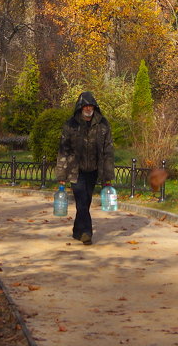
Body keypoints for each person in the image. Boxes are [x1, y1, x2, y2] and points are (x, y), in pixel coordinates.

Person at [56, 91, 114, 245]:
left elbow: (108, 150)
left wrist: (107, 175)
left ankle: (77, 231)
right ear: (80, 107)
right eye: (85, 106)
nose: (88, 108)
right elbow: (63, 150)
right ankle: (87, 233)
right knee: (81, 201)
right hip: (77, 170)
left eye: (91, 106)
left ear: (95, 107)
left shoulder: (103, 124)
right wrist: (62, 176)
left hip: (94, 170)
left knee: (86, 202)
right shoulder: (71, 125)